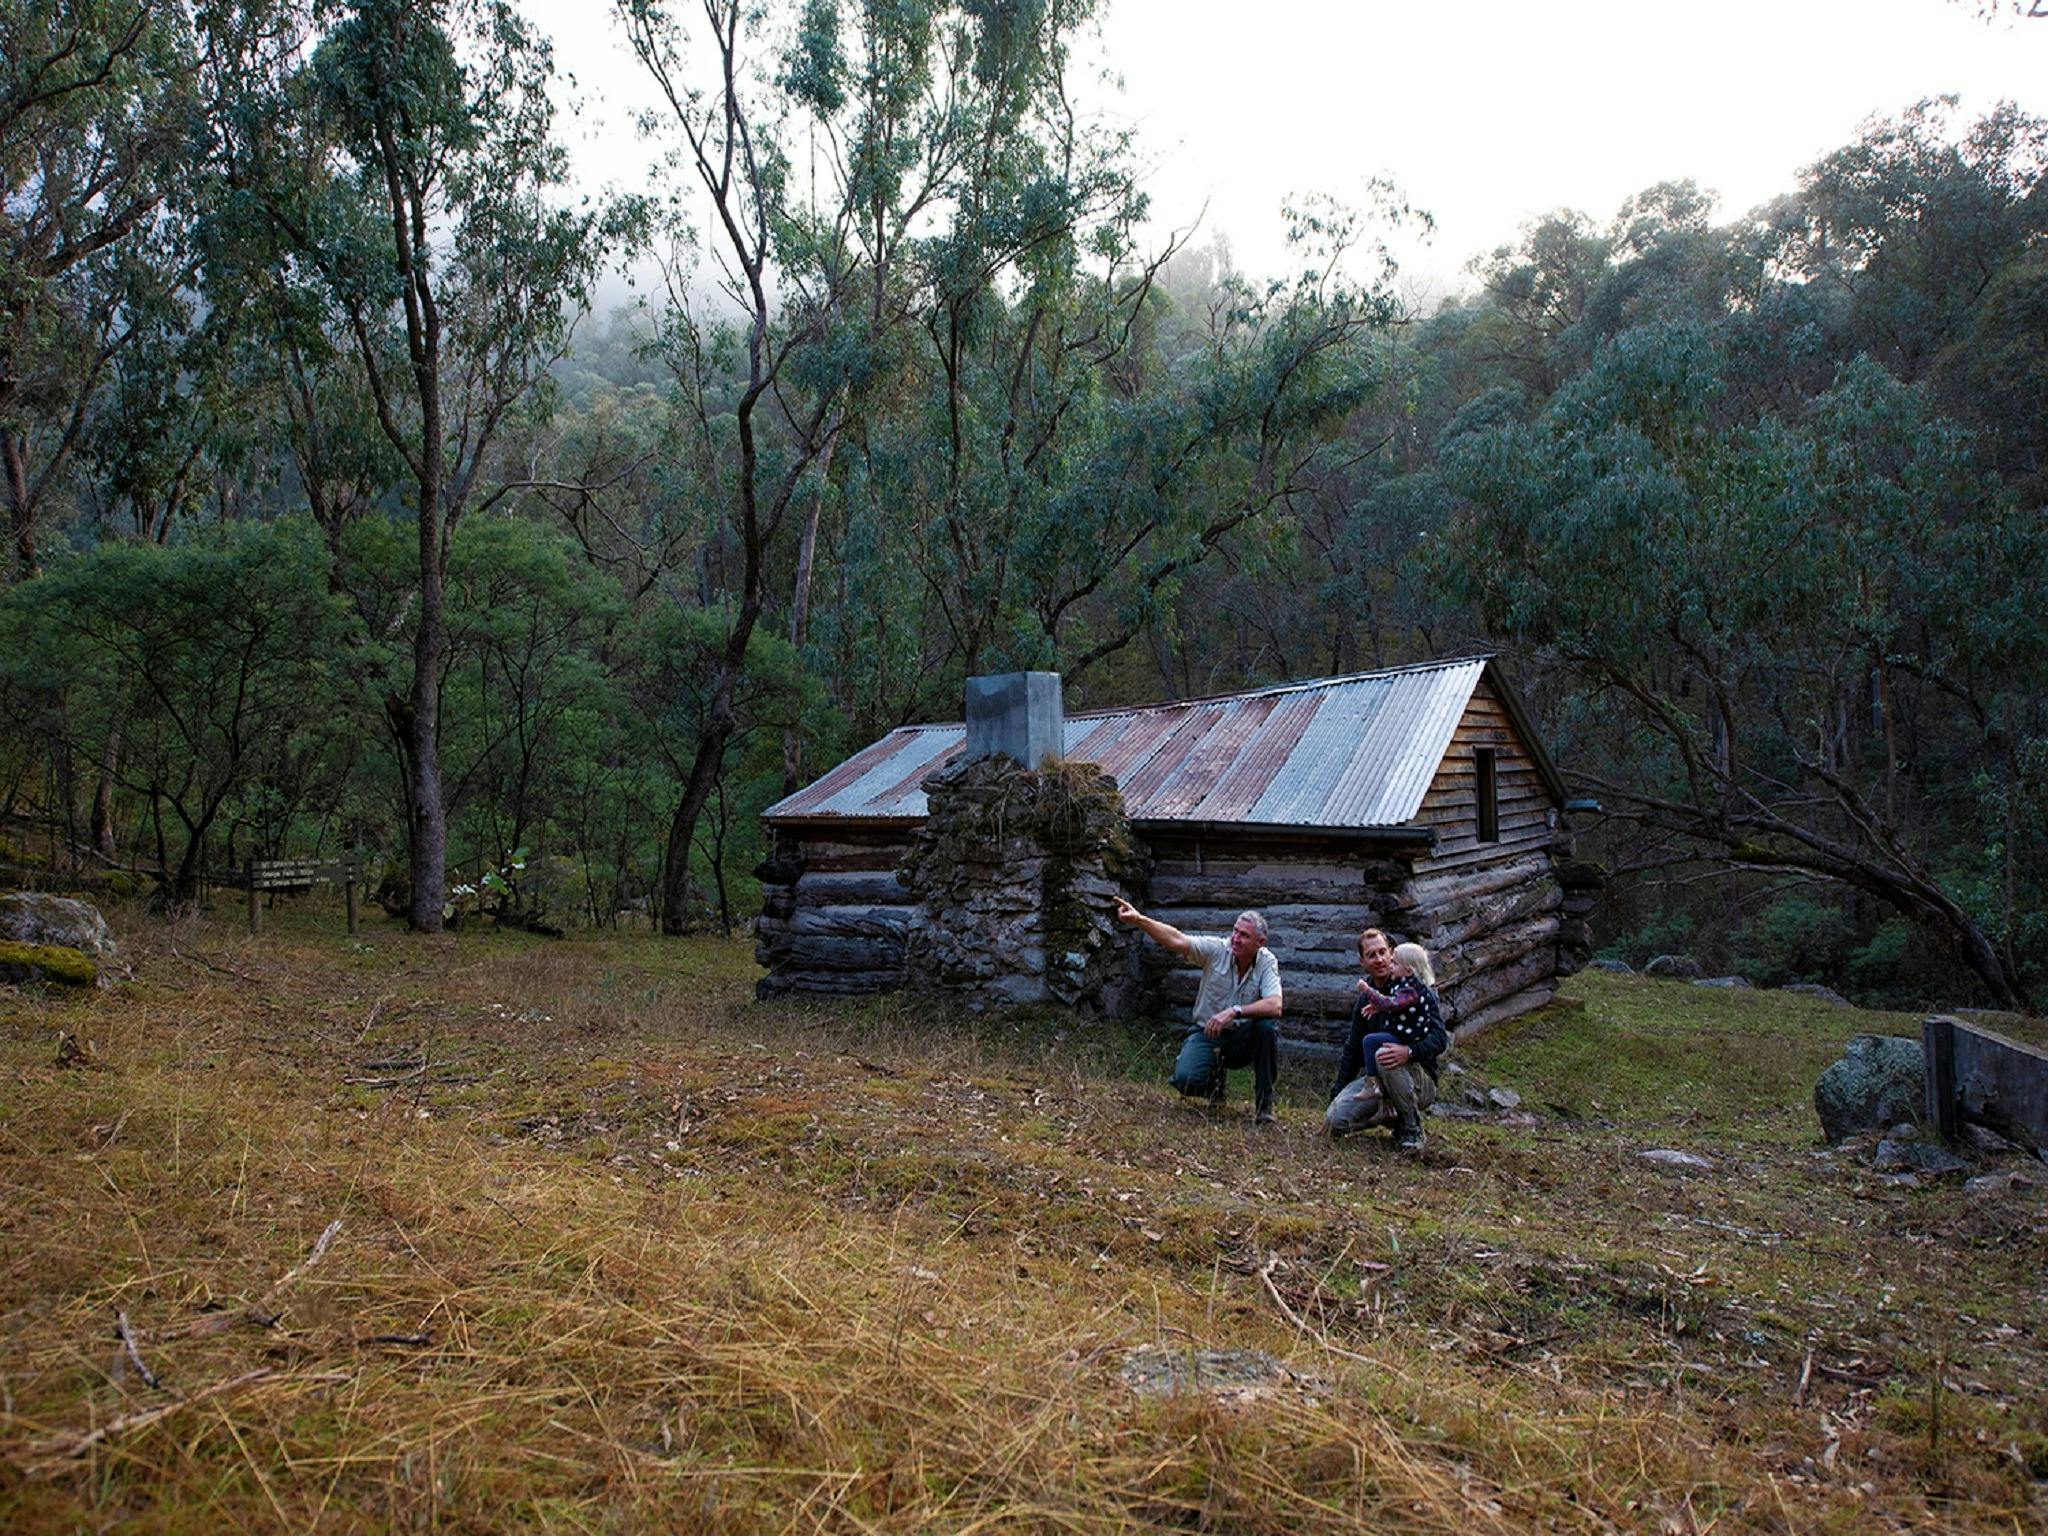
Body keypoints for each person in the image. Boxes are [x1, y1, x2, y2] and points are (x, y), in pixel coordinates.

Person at [1115, 898, 1283, 1123]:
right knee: (1186, 1080)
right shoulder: (1216, 950)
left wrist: (1234, 1011)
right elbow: (1177, 940)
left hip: (1241, 1039)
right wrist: (1139, 919)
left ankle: (1264, 1108)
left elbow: (1275, 1005)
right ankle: (1214, 1082)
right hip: (1208, 1033)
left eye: (1244, 935)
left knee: (1265, 1027)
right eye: (1235, 931)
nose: (1236, 939)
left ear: (1260, 942)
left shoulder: (1267, 962)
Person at [1325, 931, 1447, 1151]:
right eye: (1371, 955)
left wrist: (1408, 1051)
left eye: (1383, 952)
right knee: (1334, 1120)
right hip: (1379, 1081)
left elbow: (1440, 1039)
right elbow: (1353, 1049)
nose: (1379, 959)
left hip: (1418, 1078)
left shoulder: (1418, 991)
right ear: (1363, 962)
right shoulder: (1366, 999)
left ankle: (1412, 1128)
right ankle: (1388, 1116)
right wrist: (1337, 1093)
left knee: (1384, 1054)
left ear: (1392, 953)